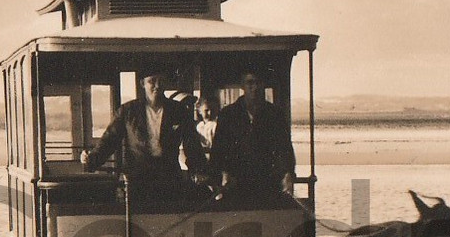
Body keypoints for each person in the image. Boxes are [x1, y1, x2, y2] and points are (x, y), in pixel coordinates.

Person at [82, 73, 205, 202]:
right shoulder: (128, 111)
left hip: (169, 178)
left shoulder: (179, 110)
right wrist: (91, 159)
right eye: (152, 81)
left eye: (161, 81)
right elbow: (110, 140)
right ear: (143, 84)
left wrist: (199, 170)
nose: (157, 86)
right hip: (137, 179)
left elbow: (192, 144)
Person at [210, 71, 296, 205]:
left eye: (258, 83)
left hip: (267, 184)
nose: (254, 87)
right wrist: (223, 173)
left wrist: (287, 174)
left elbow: (284, 148)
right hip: (235, 184)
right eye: (250, 83)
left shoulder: (275, 114)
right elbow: (218, 150)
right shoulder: (228, 115)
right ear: (242, 86)